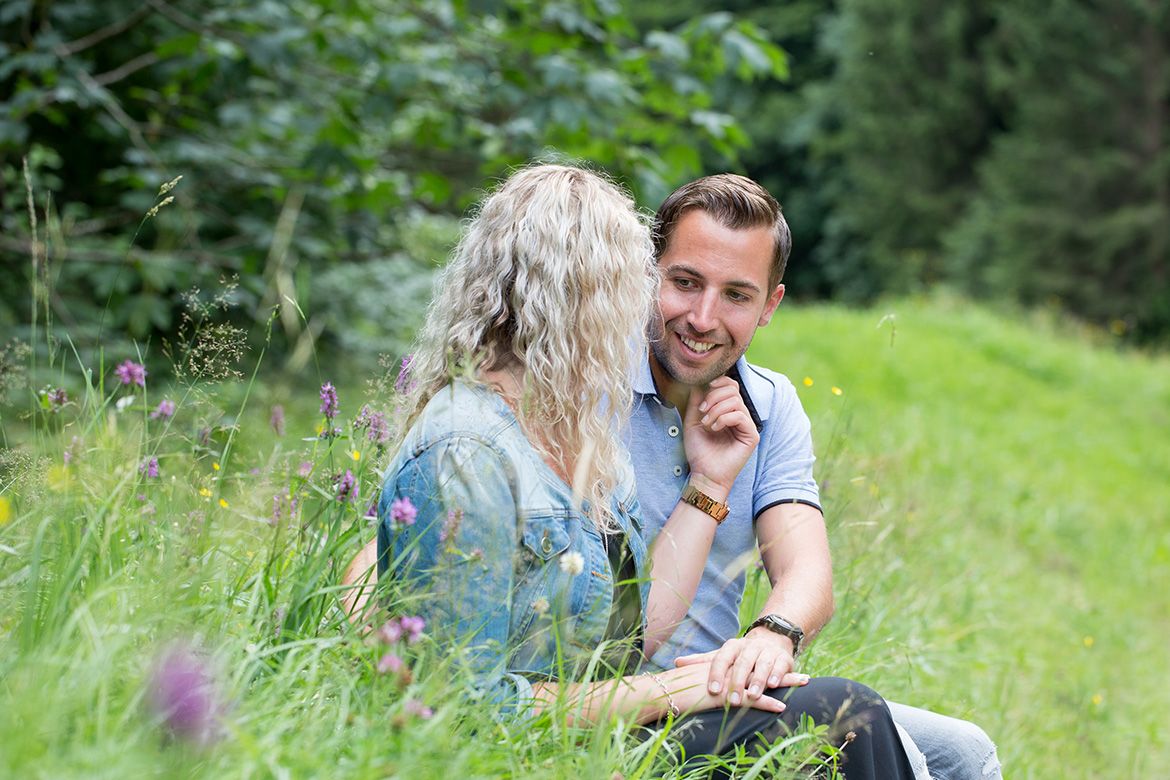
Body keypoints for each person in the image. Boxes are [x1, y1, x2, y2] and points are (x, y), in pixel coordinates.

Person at [363, 163, 917, 778]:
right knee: (845, 713)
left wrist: (711, 484)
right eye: (650, 284)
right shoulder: (466, 452)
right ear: (576, 297)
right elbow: (463, 704)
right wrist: (682, 691)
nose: (689, 317)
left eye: (735, 293)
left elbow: (634, 635)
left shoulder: (572, 426)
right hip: (569, 742)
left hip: (618, 714)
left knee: (940, 744)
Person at [631, 173, 1001, 780]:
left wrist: (772, 636)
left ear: (770, 306)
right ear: (651, 271)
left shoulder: (770, 404)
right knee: (857, 721)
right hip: (627, 698)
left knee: (965, 752)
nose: (702, 317)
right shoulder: (591, 383)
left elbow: (806, 570)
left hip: (729, 684)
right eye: (685, 282)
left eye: (736, 296)